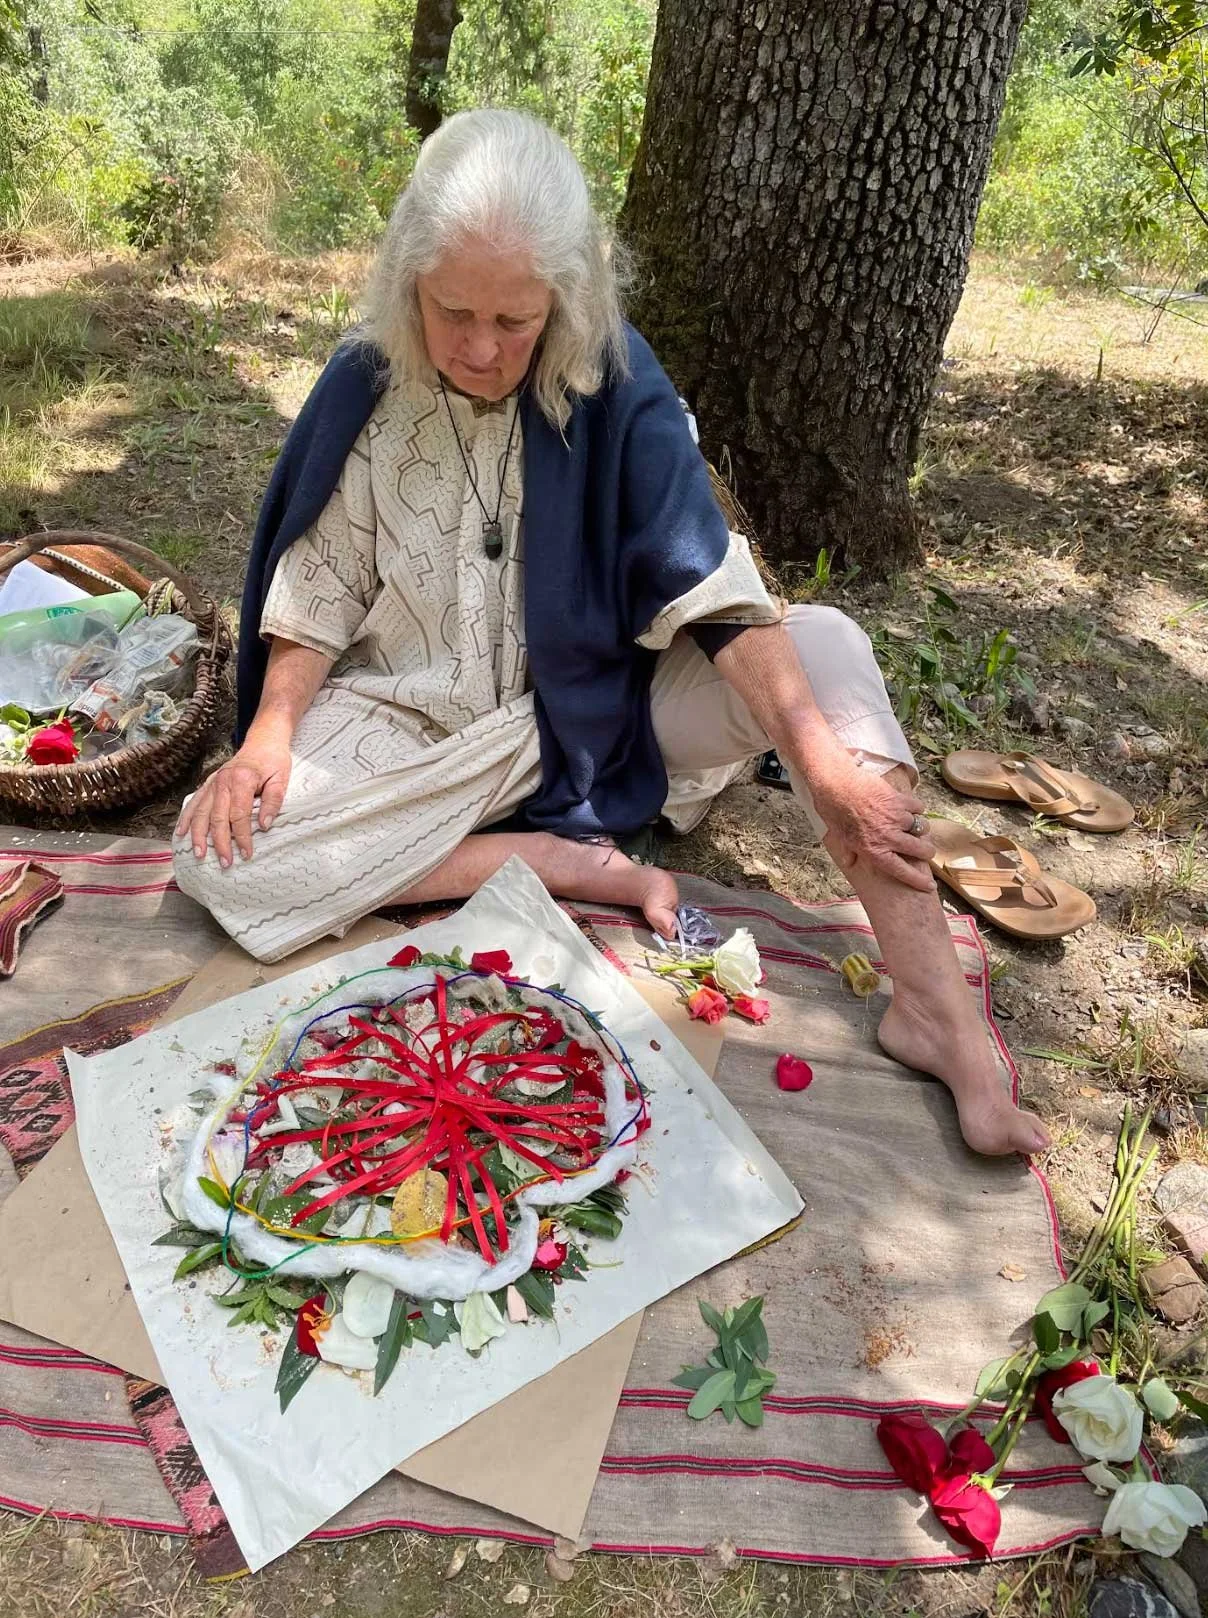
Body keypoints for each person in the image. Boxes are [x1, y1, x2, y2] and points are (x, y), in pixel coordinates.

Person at [173, 109, 1049, 1159]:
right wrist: (271, 733)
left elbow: (713, 584)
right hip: (416, 714)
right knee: (217, 856)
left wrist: (824, 772)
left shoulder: (610, 375)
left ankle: (933, 1015)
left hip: (594, 715)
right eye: (455, 312)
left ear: (564, 299)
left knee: (831, 655)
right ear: (407, 278)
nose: (484, 348)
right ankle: (547, 859)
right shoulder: (368, 384)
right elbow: (319, 582)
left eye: (517, 319)